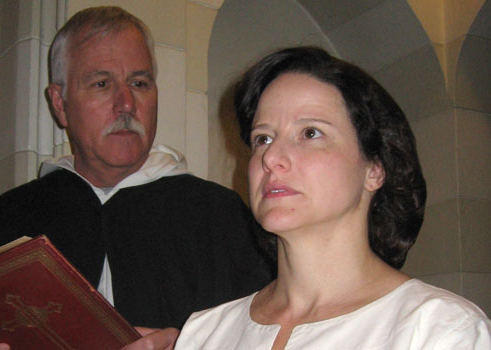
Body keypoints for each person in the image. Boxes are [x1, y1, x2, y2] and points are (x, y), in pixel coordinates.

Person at [0, 6, 273, 350]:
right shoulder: (1, 226)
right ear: (60, 104)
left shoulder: (223, 219)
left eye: (140, 83)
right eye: (102, 84)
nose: (126, 104)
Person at [175, 47, 491, 349]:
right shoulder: (204, 333)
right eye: (263, 138)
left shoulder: (438, 330)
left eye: (310, 133)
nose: (271, 157)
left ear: (374, 169)